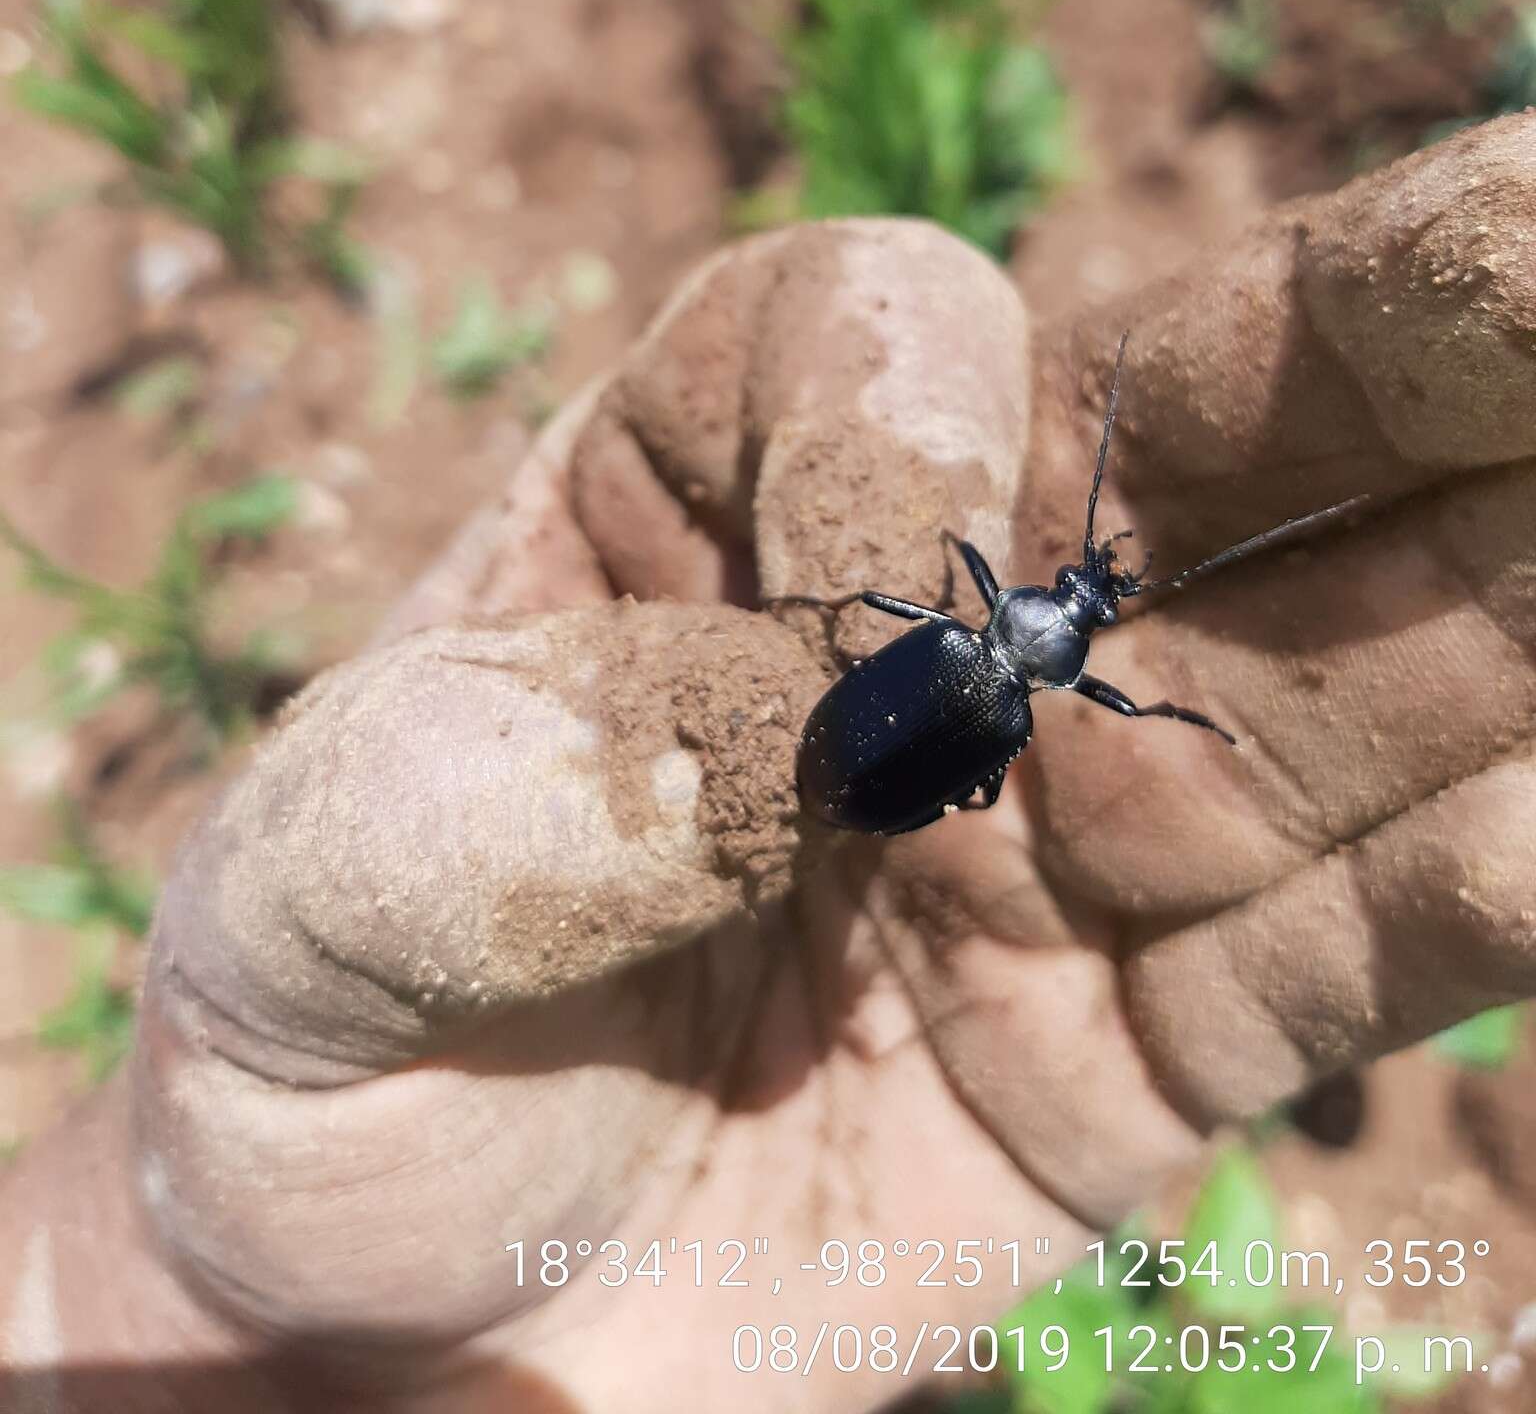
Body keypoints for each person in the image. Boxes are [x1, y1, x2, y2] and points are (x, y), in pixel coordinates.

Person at [2, 116, 1534, 1413]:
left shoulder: (964, 658)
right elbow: (950, 727)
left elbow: (912, 621)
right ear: (1057, 640)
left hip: (861, 742)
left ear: (1034, 619)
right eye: (1083, 601)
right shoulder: (1004, 716)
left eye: (1085, 609)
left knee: (879, 617)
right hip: (855, 763)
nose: (1085, 602)